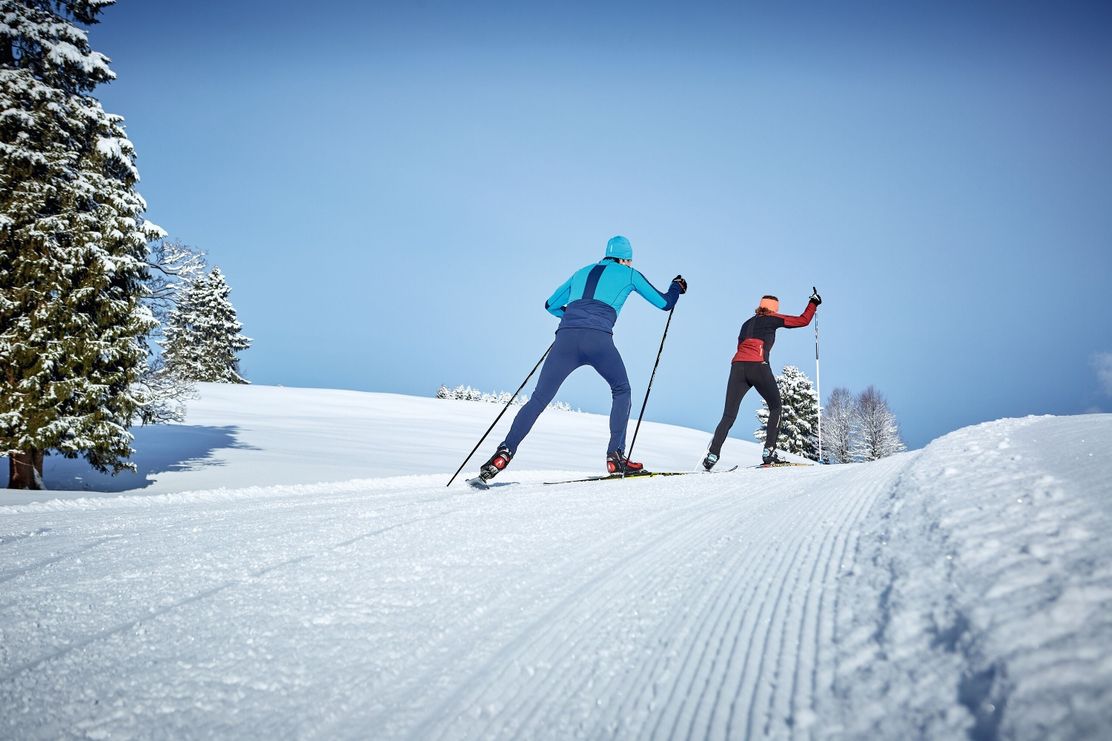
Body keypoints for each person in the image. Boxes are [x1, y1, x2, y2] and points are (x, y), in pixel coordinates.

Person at [477, 236, 687, 482]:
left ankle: (505, 451)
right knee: (621, 390)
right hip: (598, 341)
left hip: (565, 340)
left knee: (538, 398)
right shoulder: (629, 274)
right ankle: (615, 457)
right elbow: (664, 303)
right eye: (630, 261)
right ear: (624, 259)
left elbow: (550, 305)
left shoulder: (581, 272)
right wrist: (676, 287)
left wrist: (573, 315)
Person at [703, 289, 821, 469]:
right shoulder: (773, 319)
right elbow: (802, 321)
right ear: (774, 308)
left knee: (728, 415)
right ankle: (769, 452)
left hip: (737, 367)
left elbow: (740, 345)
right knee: (776, 407)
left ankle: (712, 455)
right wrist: (813, 303)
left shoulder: (746, 323)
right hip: (758, 366)